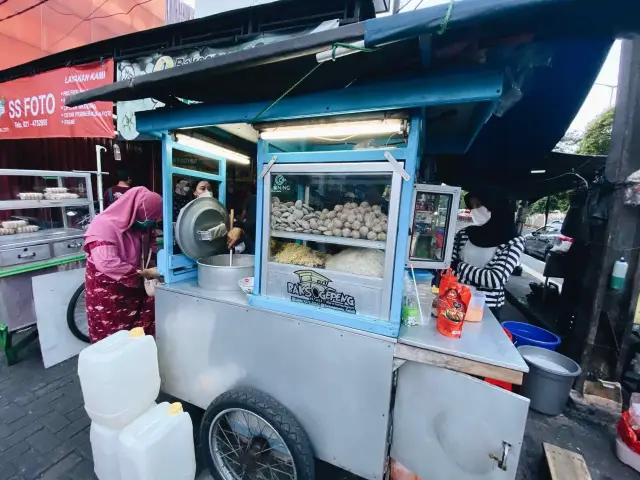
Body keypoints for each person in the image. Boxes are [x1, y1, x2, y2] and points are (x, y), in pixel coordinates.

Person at [83, 187, 163, 343]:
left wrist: (151, 262)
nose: (149, 223)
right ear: (133, 209)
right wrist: (144, 273)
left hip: (136, 286)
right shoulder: (103, 225)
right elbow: (107, 263)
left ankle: (137, 359)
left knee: (140, 331)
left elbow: (151, 243)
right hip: (108, 290)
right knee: (112, 336)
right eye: (147, 218)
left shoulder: (142, 226)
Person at [451, 192, 525, 320]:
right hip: (456, 300)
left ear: (496, 206)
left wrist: (459, 265)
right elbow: (448, 264)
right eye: (472, 207)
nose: (475, 211)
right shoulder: (465, 233)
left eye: (479, 205)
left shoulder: (513, 241)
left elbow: (495, 279)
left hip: (486, 307)